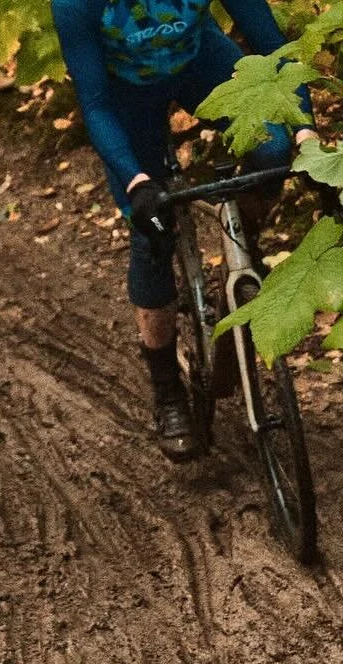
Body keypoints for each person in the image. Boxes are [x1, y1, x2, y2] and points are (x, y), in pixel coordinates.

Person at [53, 0, 316, 459]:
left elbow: (272, 47)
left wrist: (306, 132)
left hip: (201, 64)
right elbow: (93, 102)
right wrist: (136, 181)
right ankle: (167, 388)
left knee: (273, 151)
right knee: (152, 235)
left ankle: (240, 253)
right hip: (124, 96)